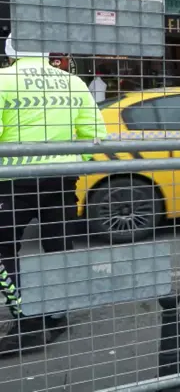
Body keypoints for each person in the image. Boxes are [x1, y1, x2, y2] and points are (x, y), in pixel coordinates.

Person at [0, 36, 107, 356]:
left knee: (4, 248)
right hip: (60, 181)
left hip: (11, 183)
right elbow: (98, 137)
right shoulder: (73, 82)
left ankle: (26, 319)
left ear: (10, 52)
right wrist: (74, 165)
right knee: (58, 246)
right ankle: (57, 315)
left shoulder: (3, 80)